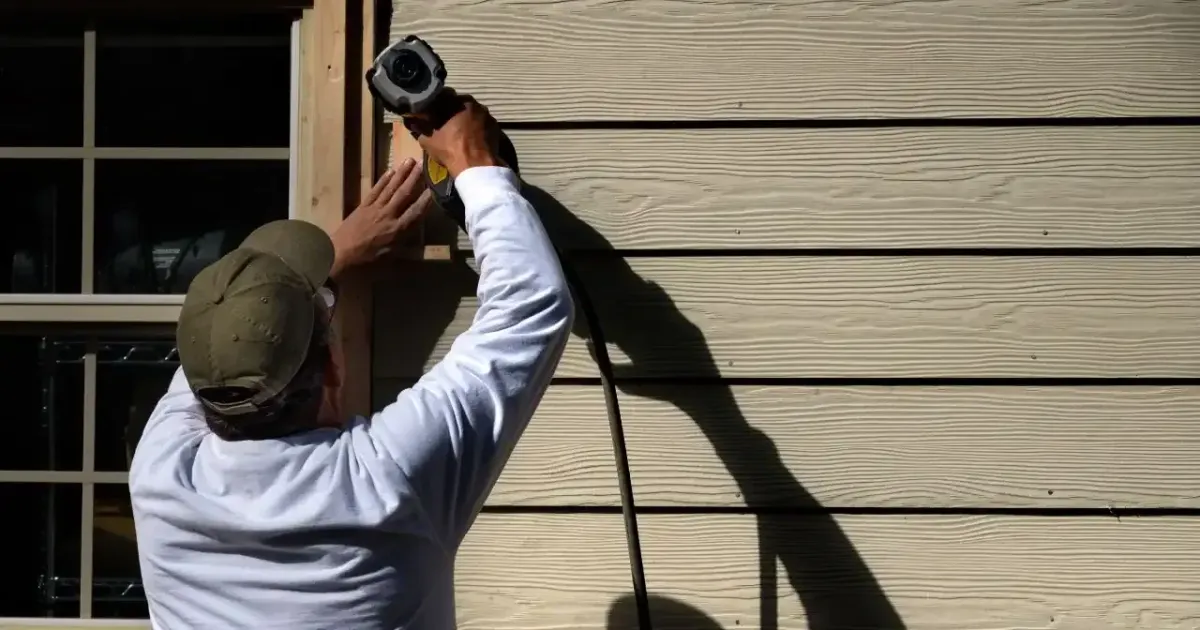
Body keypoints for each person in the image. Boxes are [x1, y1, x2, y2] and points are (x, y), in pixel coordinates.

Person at [127, 93, 575, 629]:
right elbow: (531, 307)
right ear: (334, 368)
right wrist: (477, 166)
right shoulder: (387, 480)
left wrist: (331, 263)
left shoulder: (160, 471)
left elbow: (224, 349)